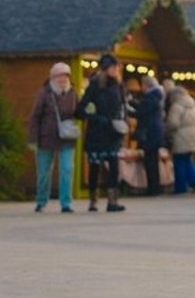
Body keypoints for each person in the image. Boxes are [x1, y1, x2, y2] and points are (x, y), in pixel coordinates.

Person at [76, 54, 128, 212]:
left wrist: (123, 121)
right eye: (113, 67)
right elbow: (80, 109)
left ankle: (112, 201)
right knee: (95, 167)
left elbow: (123, 106)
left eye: (117, 67)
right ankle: (93, 200)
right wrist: (96, 117)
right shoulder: (94, 86)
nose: (116, 70)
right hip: (97, 132)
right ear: (105, 69)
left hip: (113, 132)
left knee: (114, 166)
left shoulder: (119, 86)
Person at [27, 61, 79, 213]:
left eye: (65, 76)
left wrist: (88, 111)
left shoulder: (73, 93)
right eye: (59, 76)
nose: (62, 79)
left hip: (67, 137)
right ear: (52, 77)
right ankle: (41, 201)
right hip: (46, 138)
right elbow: (35, 116)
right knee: (44, 172)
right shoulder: (44, 93)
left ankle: (66, 203)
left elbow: (79, 111)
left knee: (67, 169)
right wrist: (33, 139)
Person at [163, 83, 195, 194]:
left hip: (180, 136)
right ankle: (194, 182)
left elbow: (173, 123)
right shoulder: (192, 104)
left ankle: (180, 187)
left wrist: (167, 129)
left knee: (179, 161)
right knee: (187, 160)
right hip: (192, 135)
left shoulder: (177, 106)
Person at [132, 74, 166, 196]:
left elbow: (142, 111)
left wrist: (132, 106)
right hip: (154, 132)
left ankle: (153, 188)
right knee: (153, 160)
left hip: (150, 132)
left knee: (150, 161)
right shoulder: (157, 96)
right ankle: (154, 187)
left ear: (146, 85)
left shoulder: (152, 96)